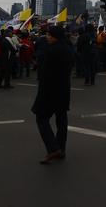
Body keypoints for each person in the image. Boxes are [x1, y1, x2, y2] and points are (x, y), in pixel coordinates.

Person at [32, 25, 74, 164]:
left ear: (55, 36)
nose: (47, 37)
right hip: (63, 89)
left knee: (41, 118)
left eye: (49, 35)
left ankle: (53, 148)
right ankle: (61, 149)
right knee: (61, 120)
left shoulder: (51, 51)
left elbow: (44, 70)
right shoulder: (68, 49)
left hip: (50, 90)